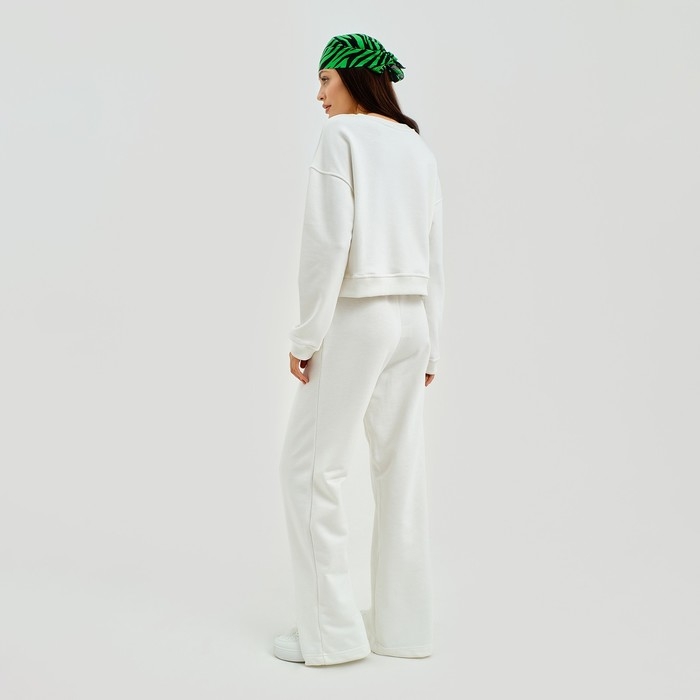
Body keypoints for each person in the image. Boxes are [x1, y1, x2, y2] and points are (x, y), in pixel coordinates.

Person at [274, 32, 445, 666]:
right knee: (400, 472)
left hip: (358, 318)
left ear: (355, 77)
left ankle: (330, 635)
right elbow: (434, 252)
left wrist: (305, 334)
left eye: (326, 79)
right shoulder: (415, 146)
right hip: (411, 320)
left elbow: (327, 242)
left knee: (310, 471)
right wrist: (431, 345)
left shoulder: (341, 137)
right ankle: (404, 630)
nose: (318, 95)